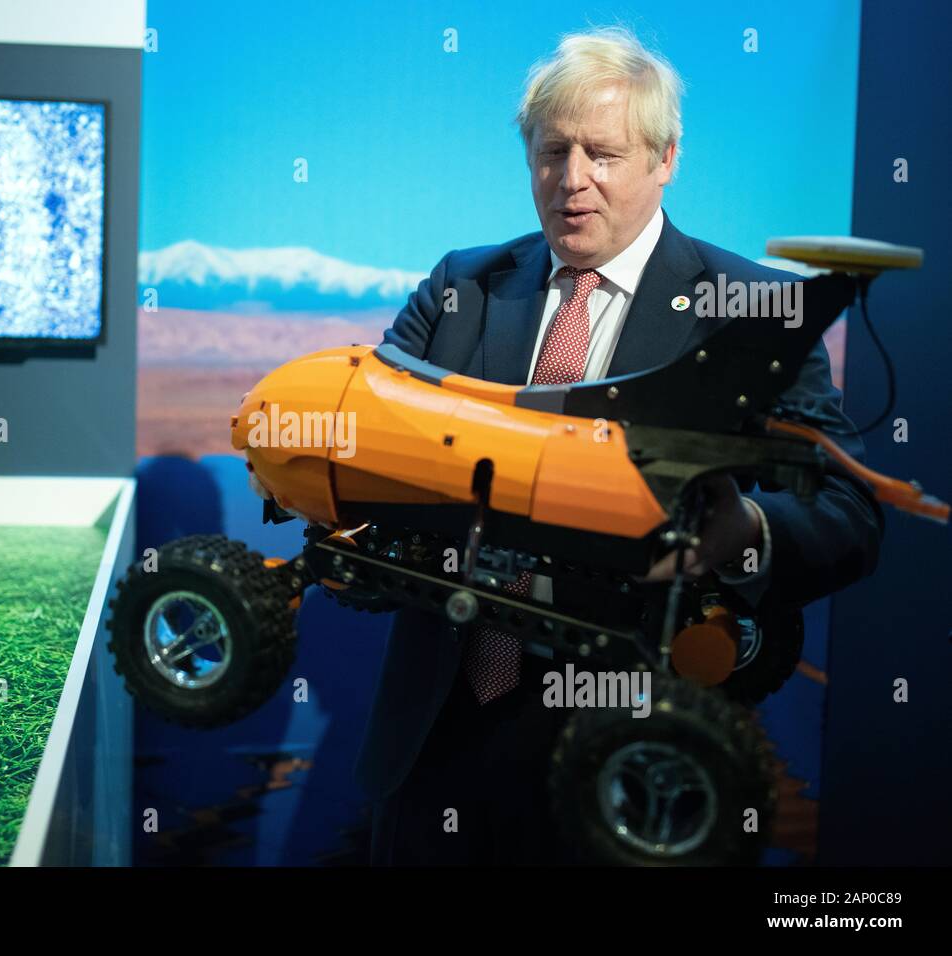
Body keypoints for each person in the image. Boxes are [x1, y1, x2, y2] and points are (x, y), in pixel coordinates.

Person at [339, 26, 883, 864]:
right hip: (436, 759)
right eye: (552, 151)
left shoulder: (751, 309)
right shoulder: (461, 289)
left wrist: (745, 535)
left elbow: (847, 510)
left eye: (603, 152)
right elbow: (367, 445)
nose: (572, 180)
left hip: (630, 771)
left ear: (666, 159)